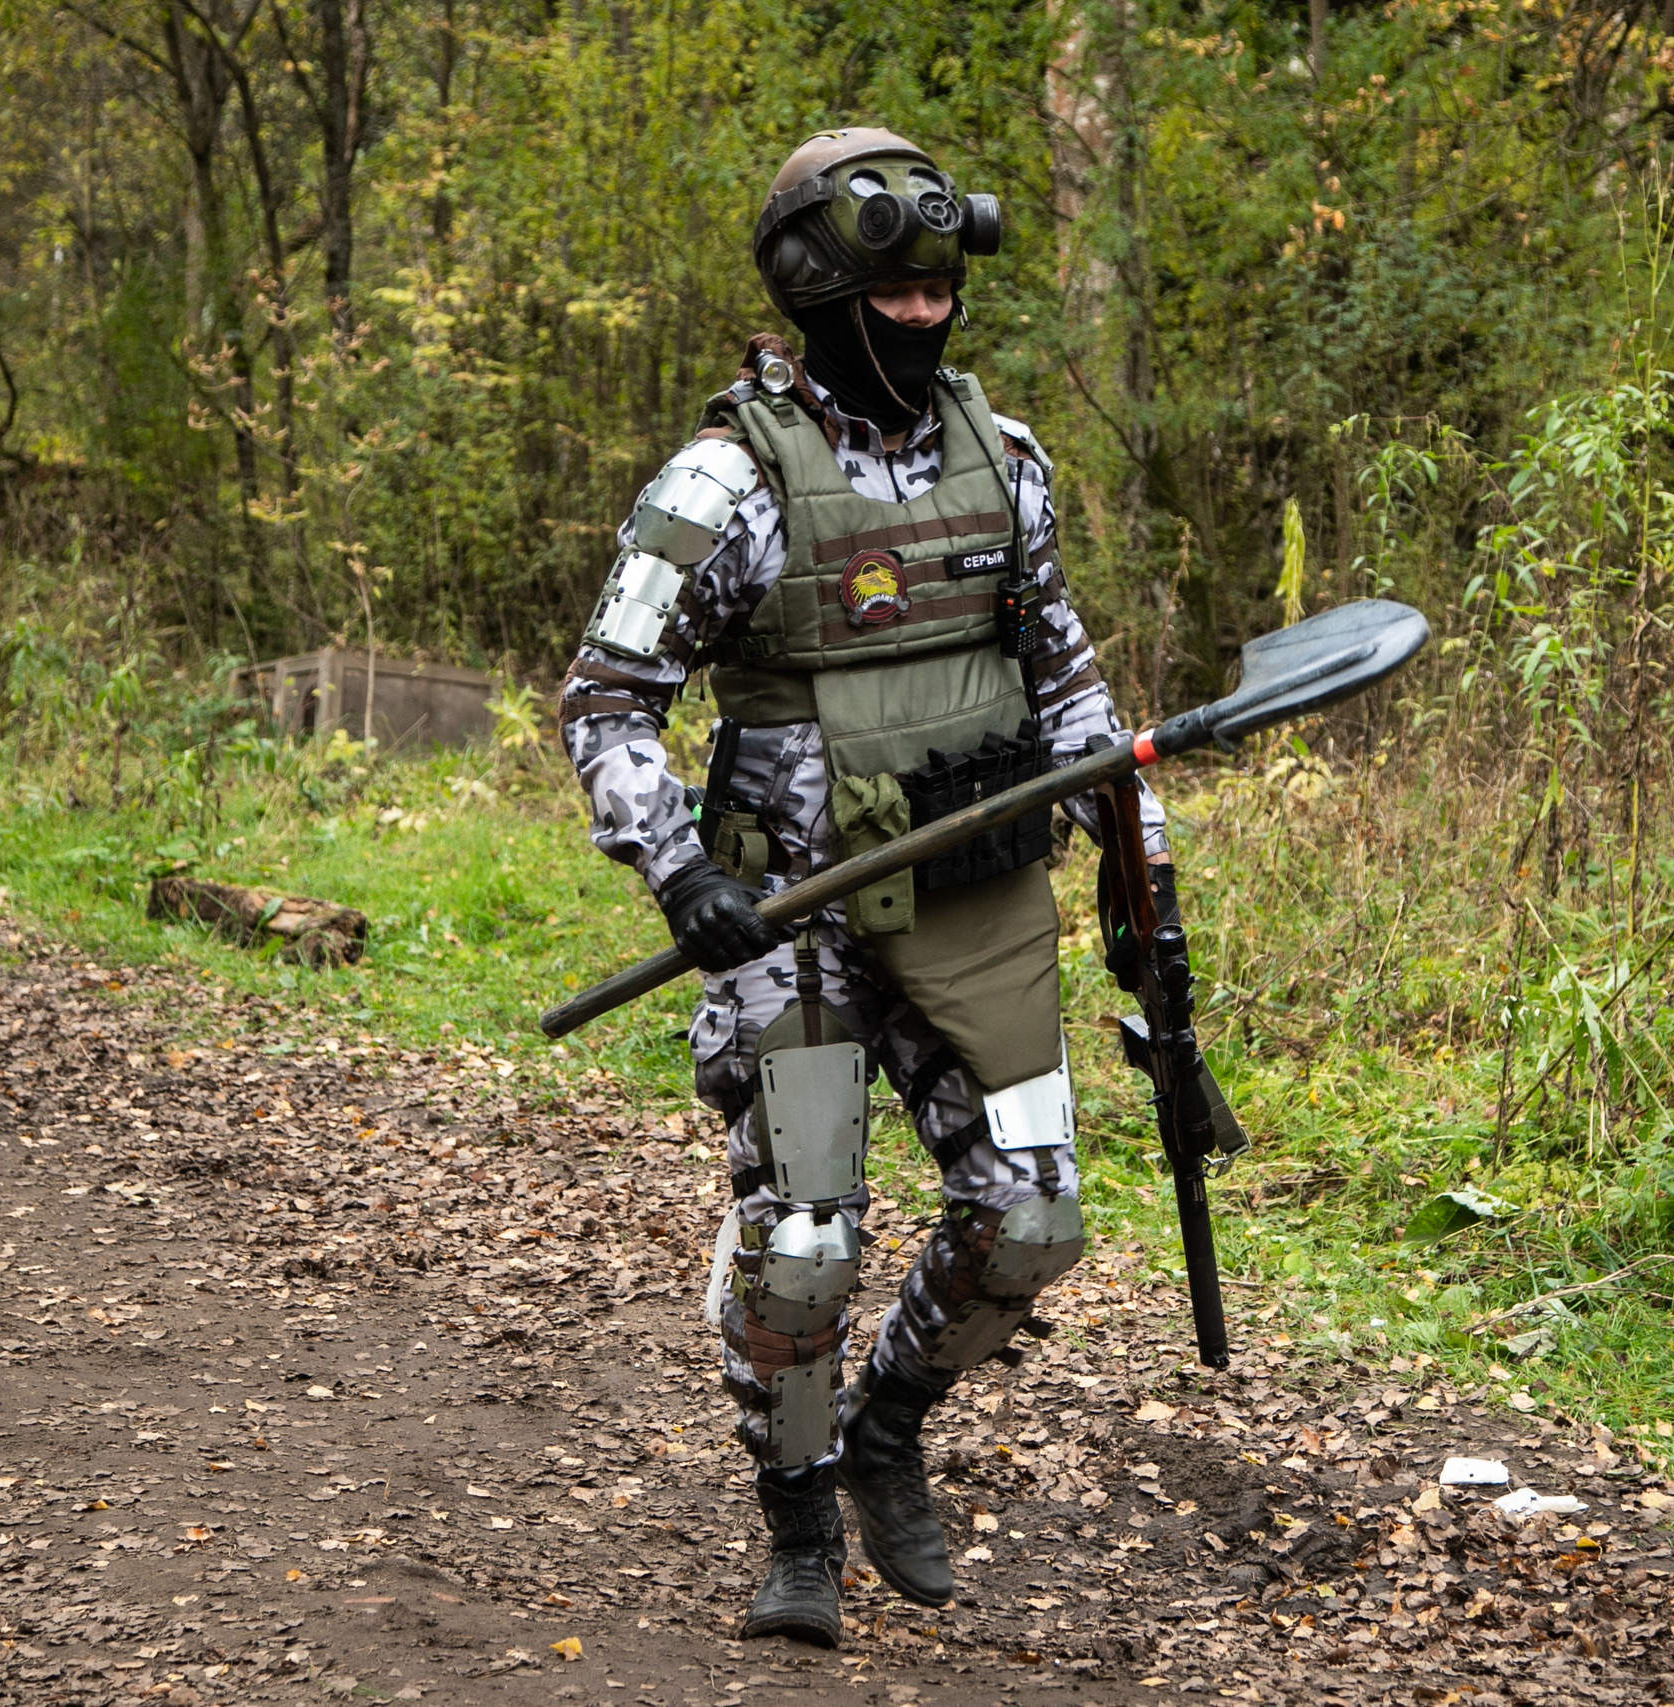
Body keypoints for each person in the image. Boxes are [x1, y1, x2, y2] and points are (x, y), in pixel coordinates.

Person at [557, 127, 1173, 1646]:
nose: (923, 316)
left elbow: (1075, 688)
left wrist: (1142, 892)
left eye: (940, 291)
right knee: (808, 1238)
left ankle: (887, 1427)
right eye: (891, 294)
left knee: (1034, 1216)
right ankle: (797, 1516)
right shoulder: (725, 484)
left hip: (968, 889)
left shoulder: (1003, 457)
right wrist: (681, 867)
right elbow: (605, 699)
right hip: (794, 919)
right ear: (820, 291)